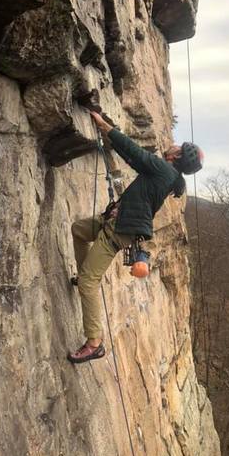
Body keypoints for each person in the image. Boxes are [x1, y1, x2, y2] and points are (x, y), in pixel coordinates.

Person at [67, 111, 204, 363]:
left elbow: (133, 153)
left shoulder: (164, 169)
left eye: (177, 147)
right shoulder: (171, 177)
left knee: (89, 282)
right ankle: (83, 272)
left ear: (177, 156)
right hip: (119, 221)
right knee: (78, 229)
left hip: (120, 230)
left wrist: (105, 126)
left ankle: (94, 342)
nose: (171, 145)